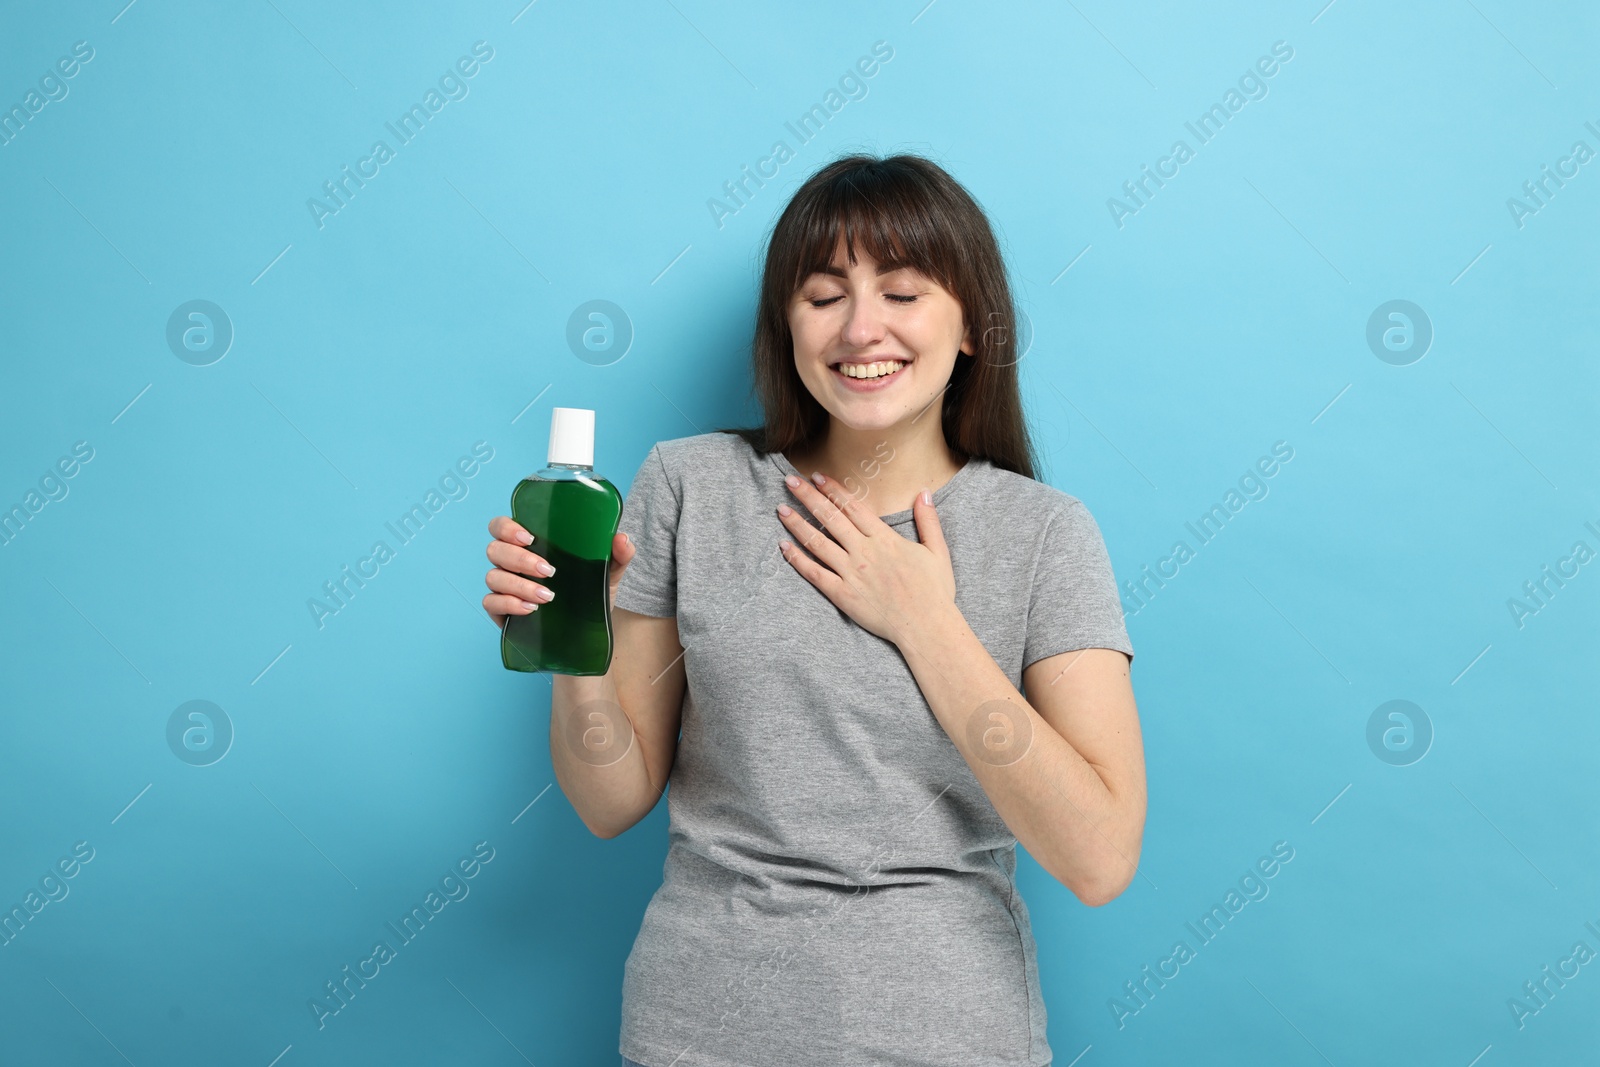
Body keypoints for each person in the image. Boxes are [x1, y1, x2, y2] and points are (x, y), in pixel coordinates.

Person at [482, 152, 1147, 1067]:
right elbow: (610, 800)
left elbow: (1099, 856)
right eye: (824, 294)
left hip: (947, 1037)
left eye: (904, 292)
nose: (861, 327)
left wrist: (924, 620)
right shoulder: (690, 485)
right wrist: (571, 645)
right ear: (785, 326)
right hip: (699, 1033)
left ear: (970, 330)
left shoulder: (1044, 535)